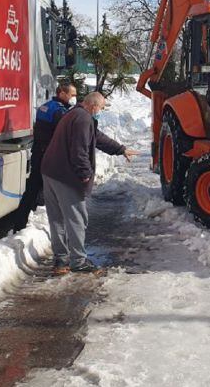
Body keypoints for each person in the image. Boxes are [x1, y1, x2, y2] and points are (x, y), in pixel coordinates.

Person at [41, 92, 138, 274]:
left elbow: (97, 138)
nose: (100, 112)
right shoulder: (83, 119)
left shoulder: (75, 113)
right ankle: (79, 261)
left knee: (57, 219)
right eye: (101, 108)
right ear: (93, 106)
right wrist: (85, 174)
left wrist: (120, 149)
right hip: (65, 175)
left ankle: (61, 261)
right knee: (77, 218)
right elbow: (80, 150)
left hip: (50, 171)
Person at [12, 84, 76, 230]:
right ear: (62, 93)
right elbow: (67, 133)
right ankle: (47, 224)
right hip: (50, 157)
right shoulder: (59, 112)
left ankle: (20, 224)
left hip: (39, 154)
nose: (73, 98)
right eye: (72, 95)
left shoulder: (45, 107)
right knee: (53, 191)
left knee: (32, 190)